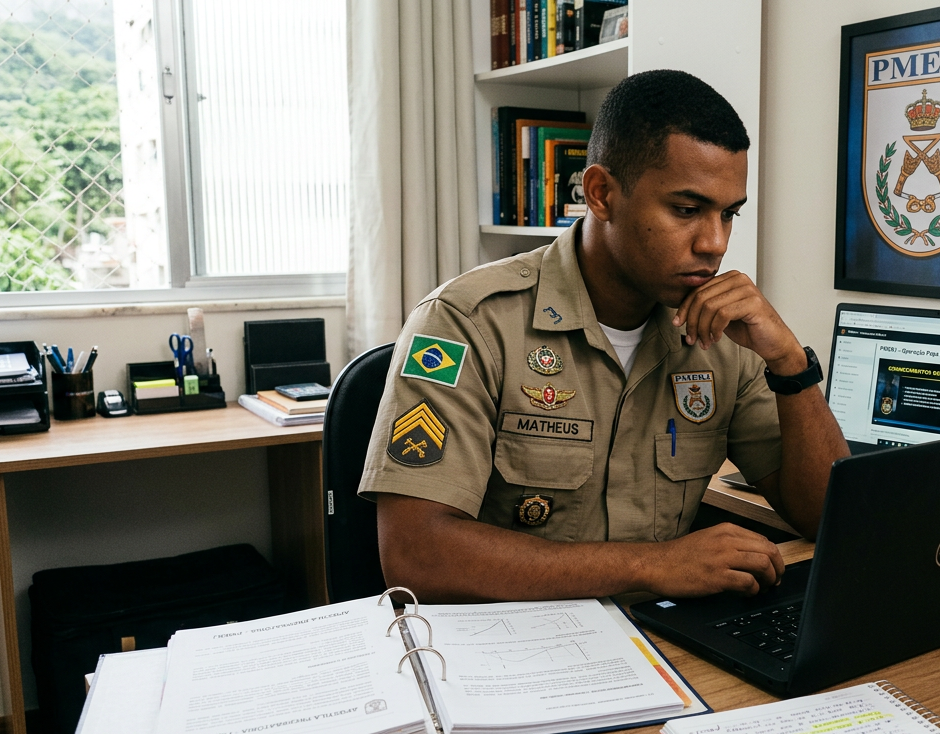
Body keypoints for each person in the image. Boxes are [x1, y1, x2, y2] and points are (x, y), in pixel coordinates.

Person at [359, 70, 850, 605]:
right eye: (686, 210)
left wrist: (788, 363)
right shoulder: (468, 323)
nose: (714, 243)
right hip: (508, 652)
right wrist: (652, 565)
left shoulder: (726, 335)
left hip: (664, 646)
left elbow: (827, 518)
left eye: (728, 214)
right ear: (601, 194)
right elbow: (416, 554)